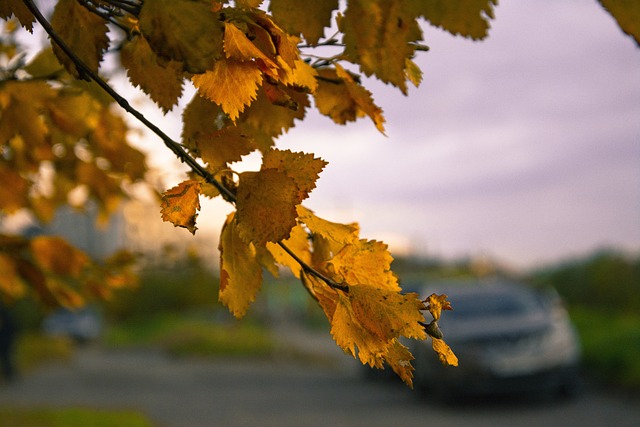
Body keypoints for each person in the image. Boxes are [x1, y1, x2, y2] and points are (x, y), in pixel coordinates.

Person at [0, 301, 17, 383]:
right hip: (6, 339)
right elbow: (11, 327)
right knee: (7, 357)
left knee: (6, 357)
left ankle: (8, 374)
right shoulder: (5, 312)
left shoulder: (3, 313)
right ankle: (8, 374)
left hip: (5, 339)